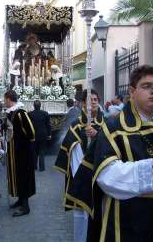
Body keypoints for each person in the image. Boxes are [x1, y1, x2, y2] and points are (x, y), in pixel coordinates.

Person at [74, 65, 153, 241]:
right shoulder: (114, 128)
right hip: (124, 224)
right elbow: (106, 176)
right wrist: (152, 168)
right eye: (146, 86)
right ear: (132, 92)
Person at [54, 89, 106, 242]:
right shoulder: (76, 126)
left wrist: (98, 136)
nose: (94, 102)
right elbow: (73, 156)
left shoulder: (108, 124)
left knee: (102, 214)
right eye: (90, 100)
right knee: (82, 216)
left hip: (103, 178)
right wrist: (82, 177)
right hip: (83, 178)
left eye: (96, 99)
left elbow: (114, 147)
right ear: (83, 104)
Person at [4, 90, 35, 217]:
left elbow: (31, 132)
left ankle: (25, 207)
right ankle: (20, 200)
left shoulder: (21, 113)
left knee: (23, 177)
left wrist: (21, 143)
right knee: (17, 177)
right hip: (14, 153)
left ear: (8, 99)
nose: (4, 101)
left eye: (5, 99)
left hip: (23, 154)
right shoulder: (11, 113)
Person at [29, 100, 51, 171]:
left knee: (34, 151)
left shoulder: (30, 114)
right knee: (42, 151)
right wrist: (49, 134)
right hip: (43, 134)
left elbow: (28, 126)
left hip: (33, 134)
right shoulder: (45, 113)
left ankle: (34, 166)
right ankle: (42, 167)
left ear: (33, 106)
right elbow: (48, 125)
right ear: (40, 105)